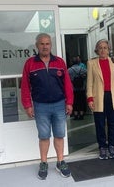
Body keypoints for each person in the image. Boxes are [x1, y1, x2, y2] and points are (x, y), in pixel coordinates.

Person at [21, 33, 73, 180]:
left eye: (47, 43)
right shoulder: (30, 63)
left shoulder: (60, 62)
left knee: (59, 134)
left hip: (59, 105)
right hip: (40, 106)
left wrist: (69, 102)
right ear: (37, 45)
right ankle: (43, 163)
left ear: (51, 45)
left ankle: (60, 162)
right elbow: (25, 86)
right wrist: (27, 105)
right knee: (44, 136)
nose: (45, 46)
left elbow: (67, 84)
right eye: (42, 44)